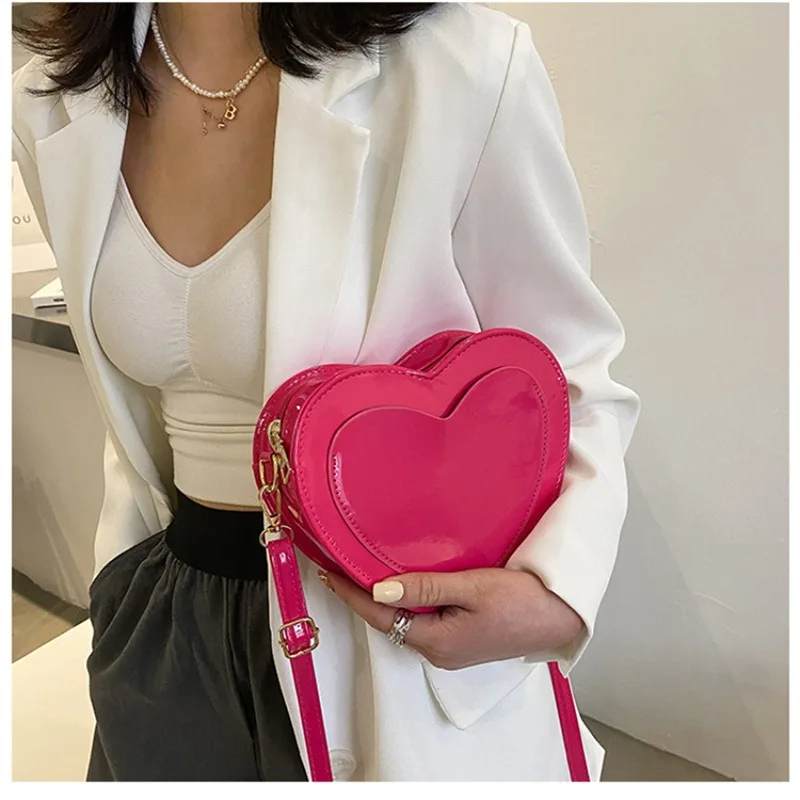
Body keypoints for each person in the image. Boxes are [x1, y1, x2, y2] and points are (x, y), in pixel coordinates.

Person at [12, 1, 640, 782]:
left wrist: (556, 592)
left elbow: (570, 375)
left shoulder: (462, 67)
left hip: (390, 633)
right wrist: (123, 601)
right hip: (169, 627)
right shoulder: (49, 99)